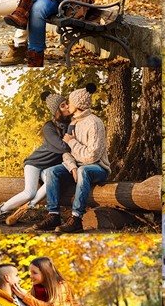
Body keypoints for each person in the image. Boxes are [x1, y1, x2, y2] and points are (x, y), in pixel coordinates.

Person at [0, 91, 70, 227]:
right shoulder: (48, 127)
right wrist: (69, 141)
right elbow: (63, 147)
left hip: (49, 168)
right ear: (56, 111)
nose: (67, 106)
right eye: (63, 105)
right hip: (35, 163)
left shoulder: (71, 124)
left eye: (67, 103)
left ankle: (23, 209)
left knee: (50, 182)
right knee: (29, 192)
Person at [35, 85, 110, 234]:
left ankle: (76, 218)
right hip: (77, 167)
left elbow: (92, 156)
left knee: (84, 170)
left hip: (97, 167)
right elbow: (67, 152)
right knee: (51, 172)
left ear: (78, 104)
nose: (68, 105)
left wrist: (72, 142)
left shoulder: (95, 123)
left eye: (70, 102)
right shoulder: (73, 123)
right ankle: (54, 215)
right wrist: (72, 166)